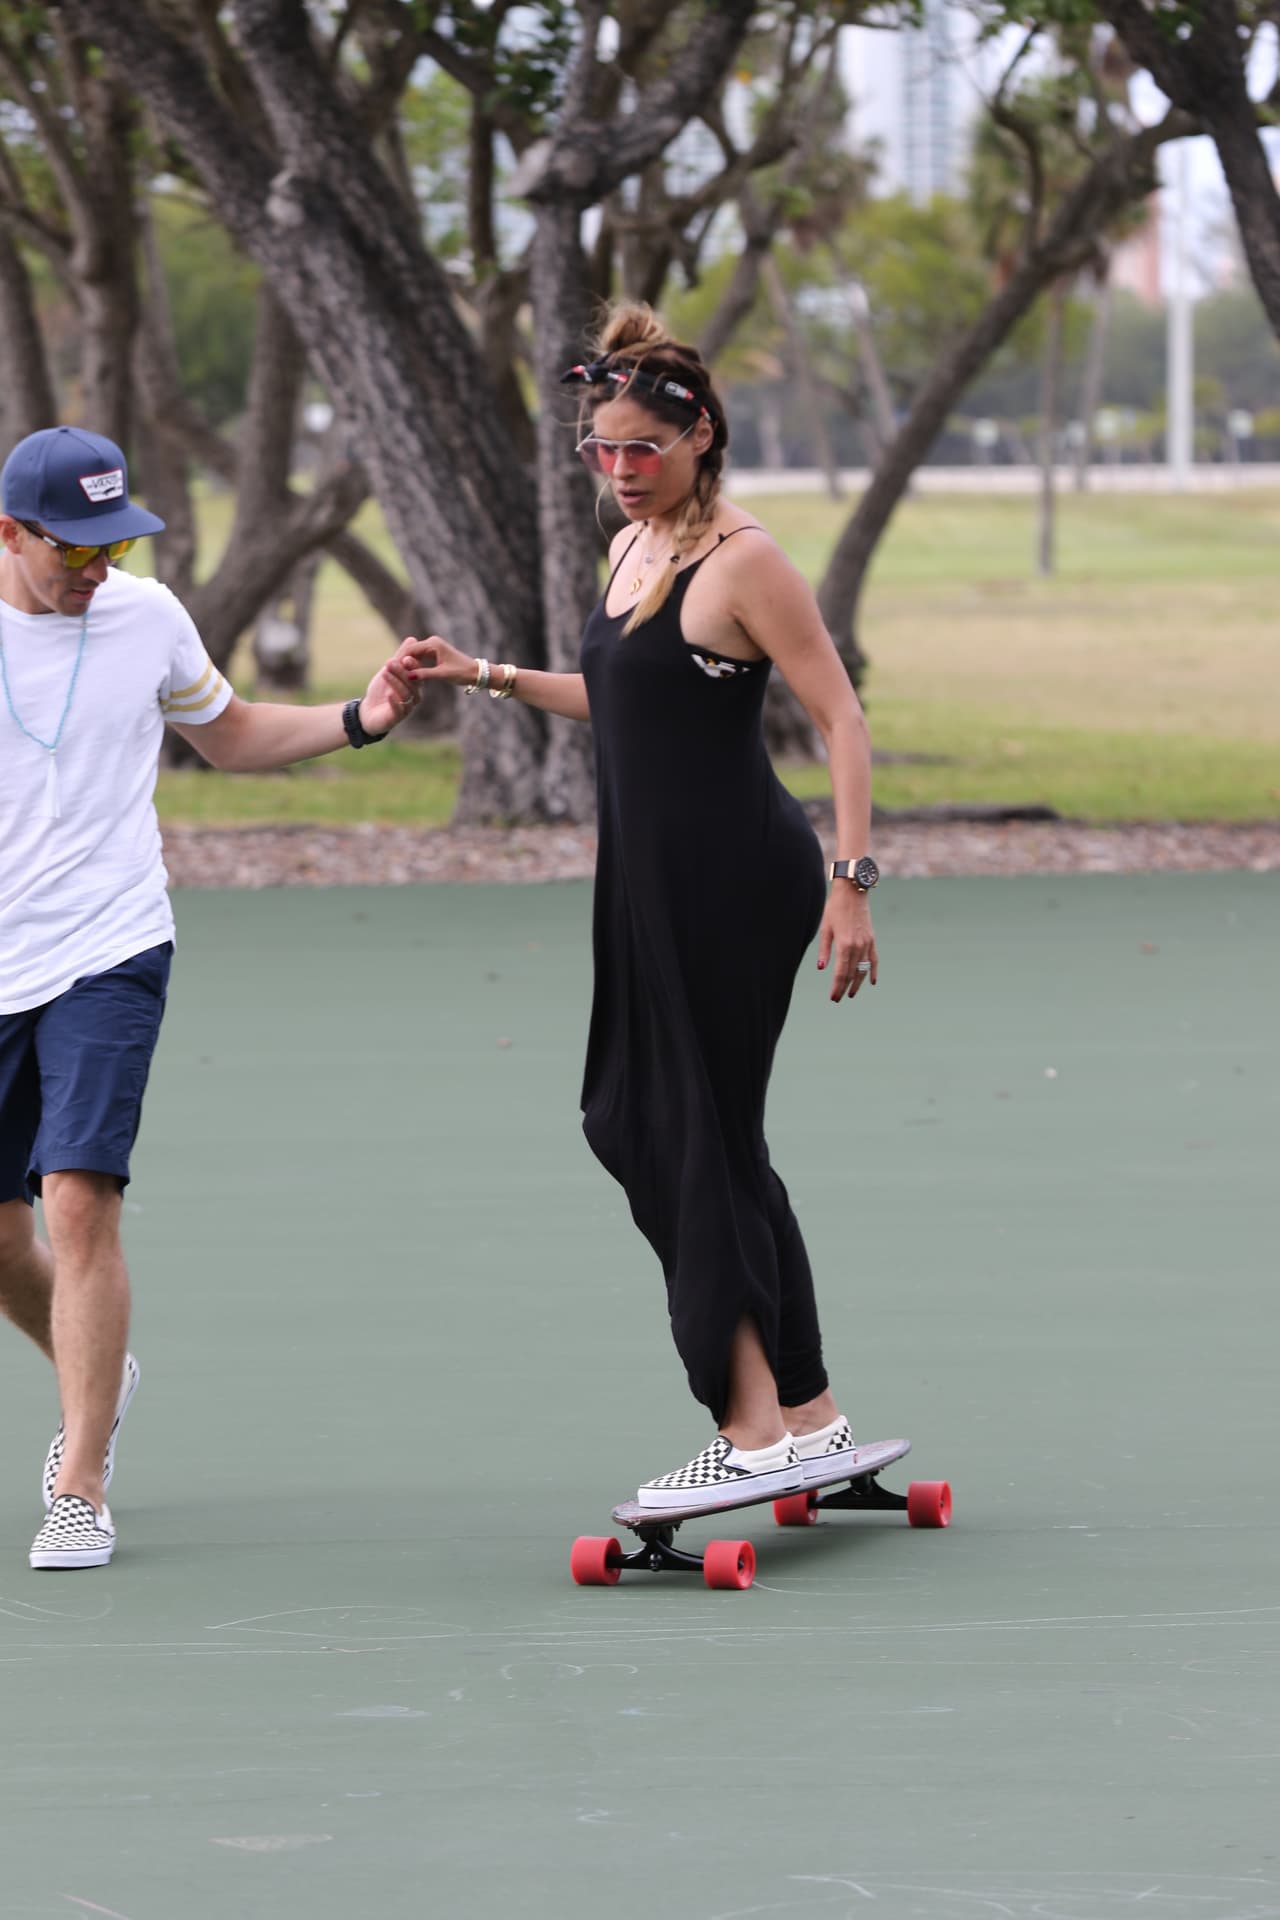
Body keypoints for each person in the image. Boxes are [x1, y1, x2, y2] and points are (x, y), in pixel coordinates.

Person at [399, 303, 879, 1511]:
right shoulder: (631, 549)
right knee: (692, 1134)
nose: (618, 473)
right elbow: (627, 699)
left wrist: (853, 883)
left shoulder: (742, 561)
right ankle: (810, 1414)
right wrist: (486, 676)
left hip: (736, 881)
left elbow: (841, 719)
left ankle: (749, 1425)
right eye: (599, 451)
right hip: (645, 883)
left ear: (700, 436)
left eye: (641, 452)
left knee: (672, 1135)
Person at [0, 425, 419, 1571]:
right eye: (72, 549)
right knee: (0, 1242)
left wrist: (358, 721)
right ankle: (101, 1366)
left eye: (111, 543)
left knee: (78, 1199)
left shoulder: (147, 617)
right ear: (10, 533)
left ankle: (81, 1479)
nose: (97, 568)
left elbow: (226, 735)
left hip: (110, 944)